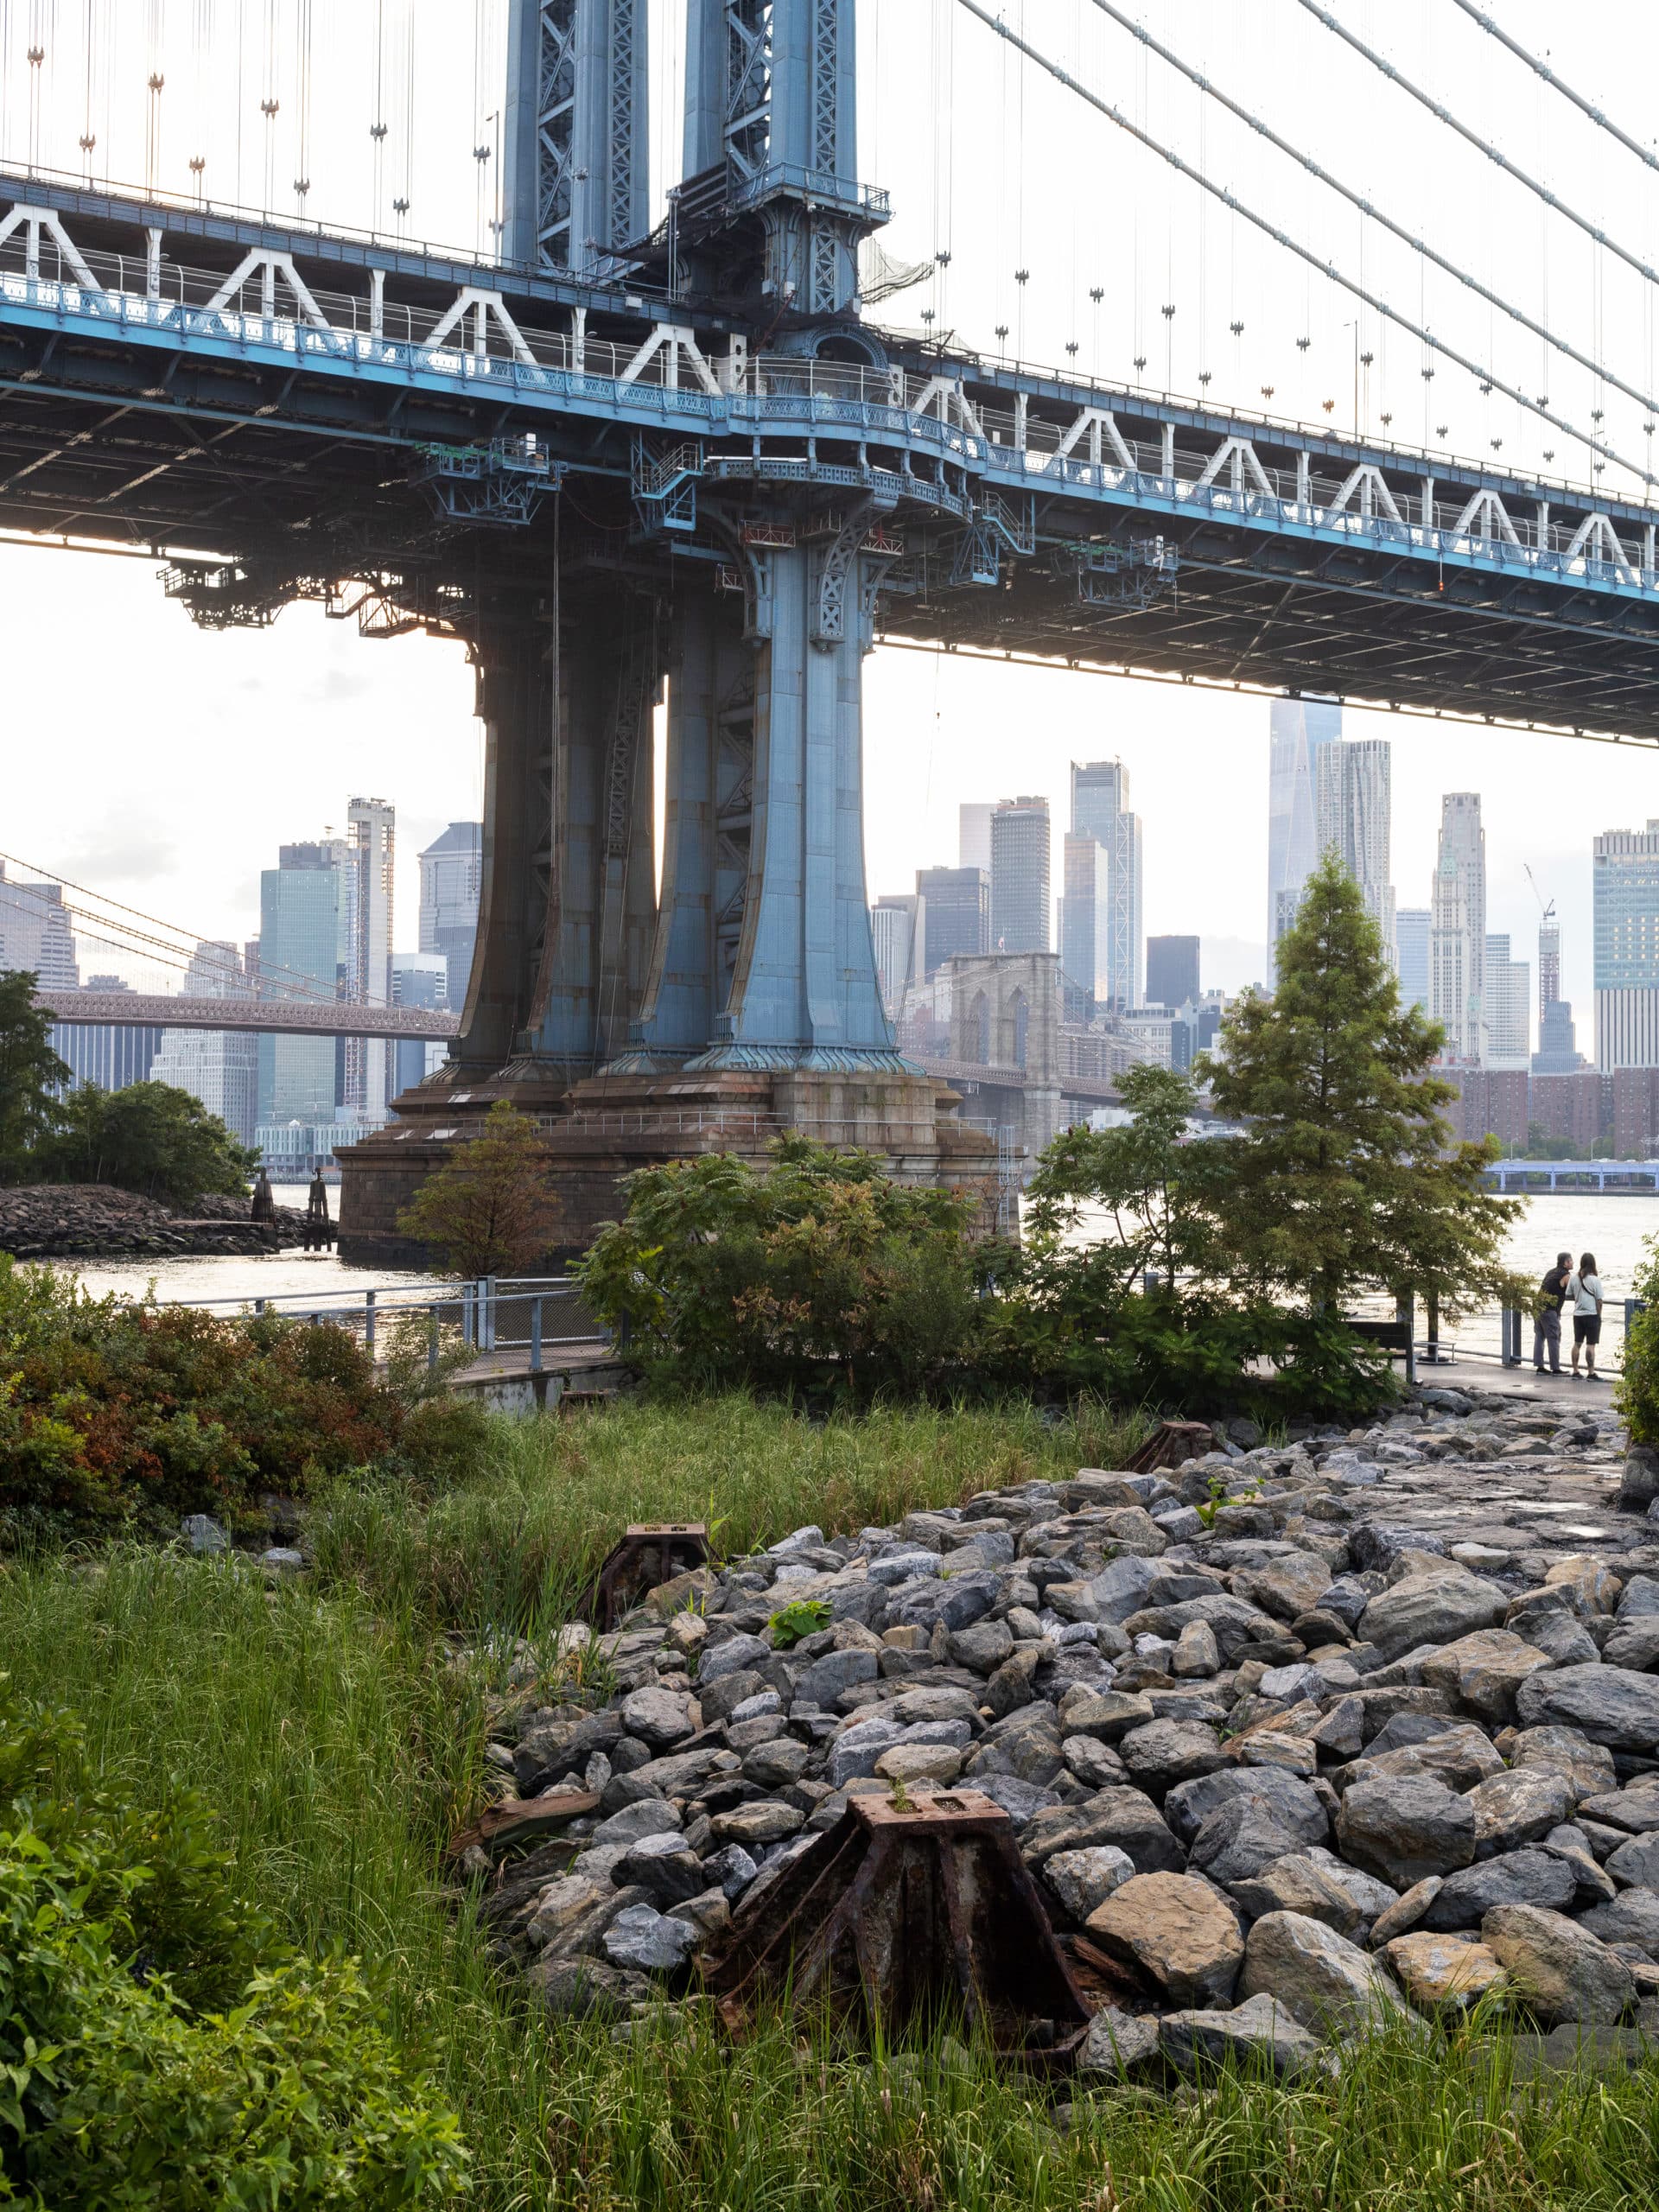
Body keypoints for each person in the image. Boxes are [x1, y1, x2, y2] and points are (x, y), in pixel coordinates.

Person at [1567, 1250, 1605, 1381]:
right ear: (1593, 1264)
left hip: (1577, 1315)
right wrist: (1599, 1316)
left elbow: (1568, 1294)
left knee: (1577, 1343)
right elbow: (1599, 1301)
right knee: (1591, 1345)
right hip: (1592, 1315)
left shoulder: (1574, 1278)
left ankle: (1576, 1371)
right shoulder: (1595, 1280)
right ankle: (1591, 1373)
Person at [1534, 1250, 1571, 1375]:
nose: (1572, 1263)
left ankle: (1540, 1367)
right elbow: (1571, 1291)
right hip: (1550, 1310)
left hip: (1538, 1306)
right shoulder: (1565, 1275)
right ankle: (1555, 1368)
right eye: (1570, 1261)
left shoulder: (1551, 1272)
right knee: (1553, 1337)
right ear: (1565, 1263)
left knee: (1540, 1336)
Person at [303, 1168, 332, 1252]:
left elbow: (316, 1200)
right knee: (326, 1235)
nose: (318, 1175)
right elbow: (324, 1201)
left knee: (310, 1233)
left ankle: (309, 1249)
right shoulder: (315, 1183)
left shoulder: (318, 1183)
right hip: (319, 1215)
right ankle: (327, 1248)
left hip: (315, 1216)